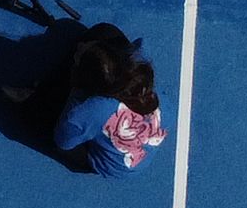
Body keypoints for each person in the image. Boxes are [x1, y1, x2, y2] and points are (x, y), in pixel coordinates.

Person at [39, 23, 165, 174]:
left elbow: (63, 142)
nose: (79, 47)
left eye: (79, 56)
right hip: (135, 141)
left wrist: (74, 93)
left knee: (36, 112)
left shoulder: (85, 111)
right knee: (105, 31)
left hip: (110, 163)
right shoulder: (139, 72)